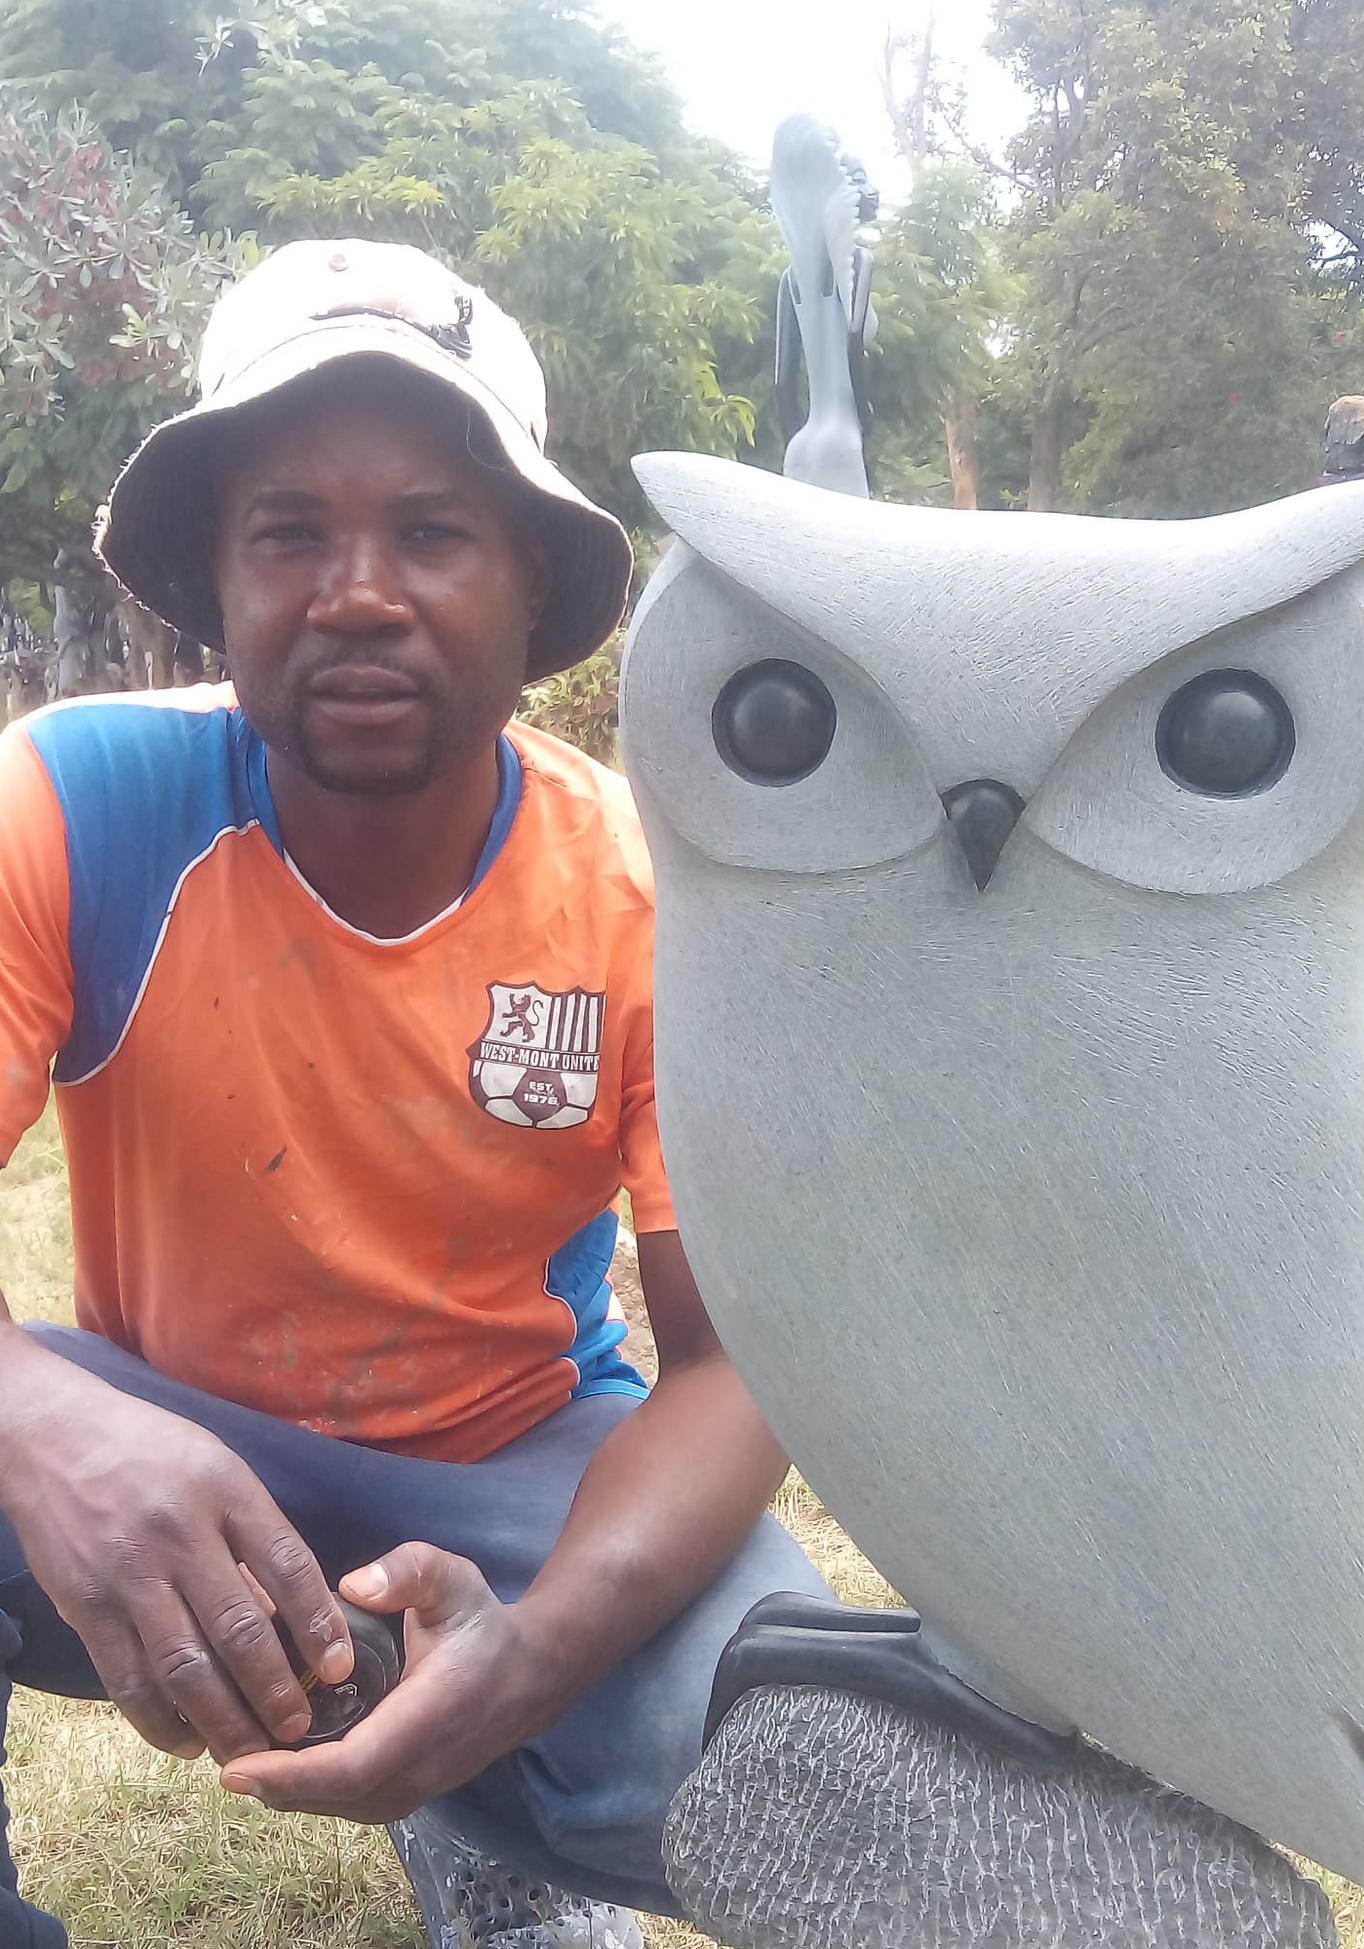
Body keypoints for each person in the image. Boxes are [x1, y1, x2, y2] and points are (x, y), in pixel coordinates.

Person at [0, 238, 827, 1949]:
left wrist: (545, 1653)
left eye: (433, 529)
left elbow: (739, 1359)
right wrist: (50, 1426)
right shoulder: (74, 805)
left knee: (803, 1755)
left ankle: (493, 1811)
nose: (357, 590)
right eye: (287, 529)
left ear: (530, 582)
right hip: (174, 1446)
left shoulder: (651, 893)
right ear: (213, 583)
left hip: (522, 1462)